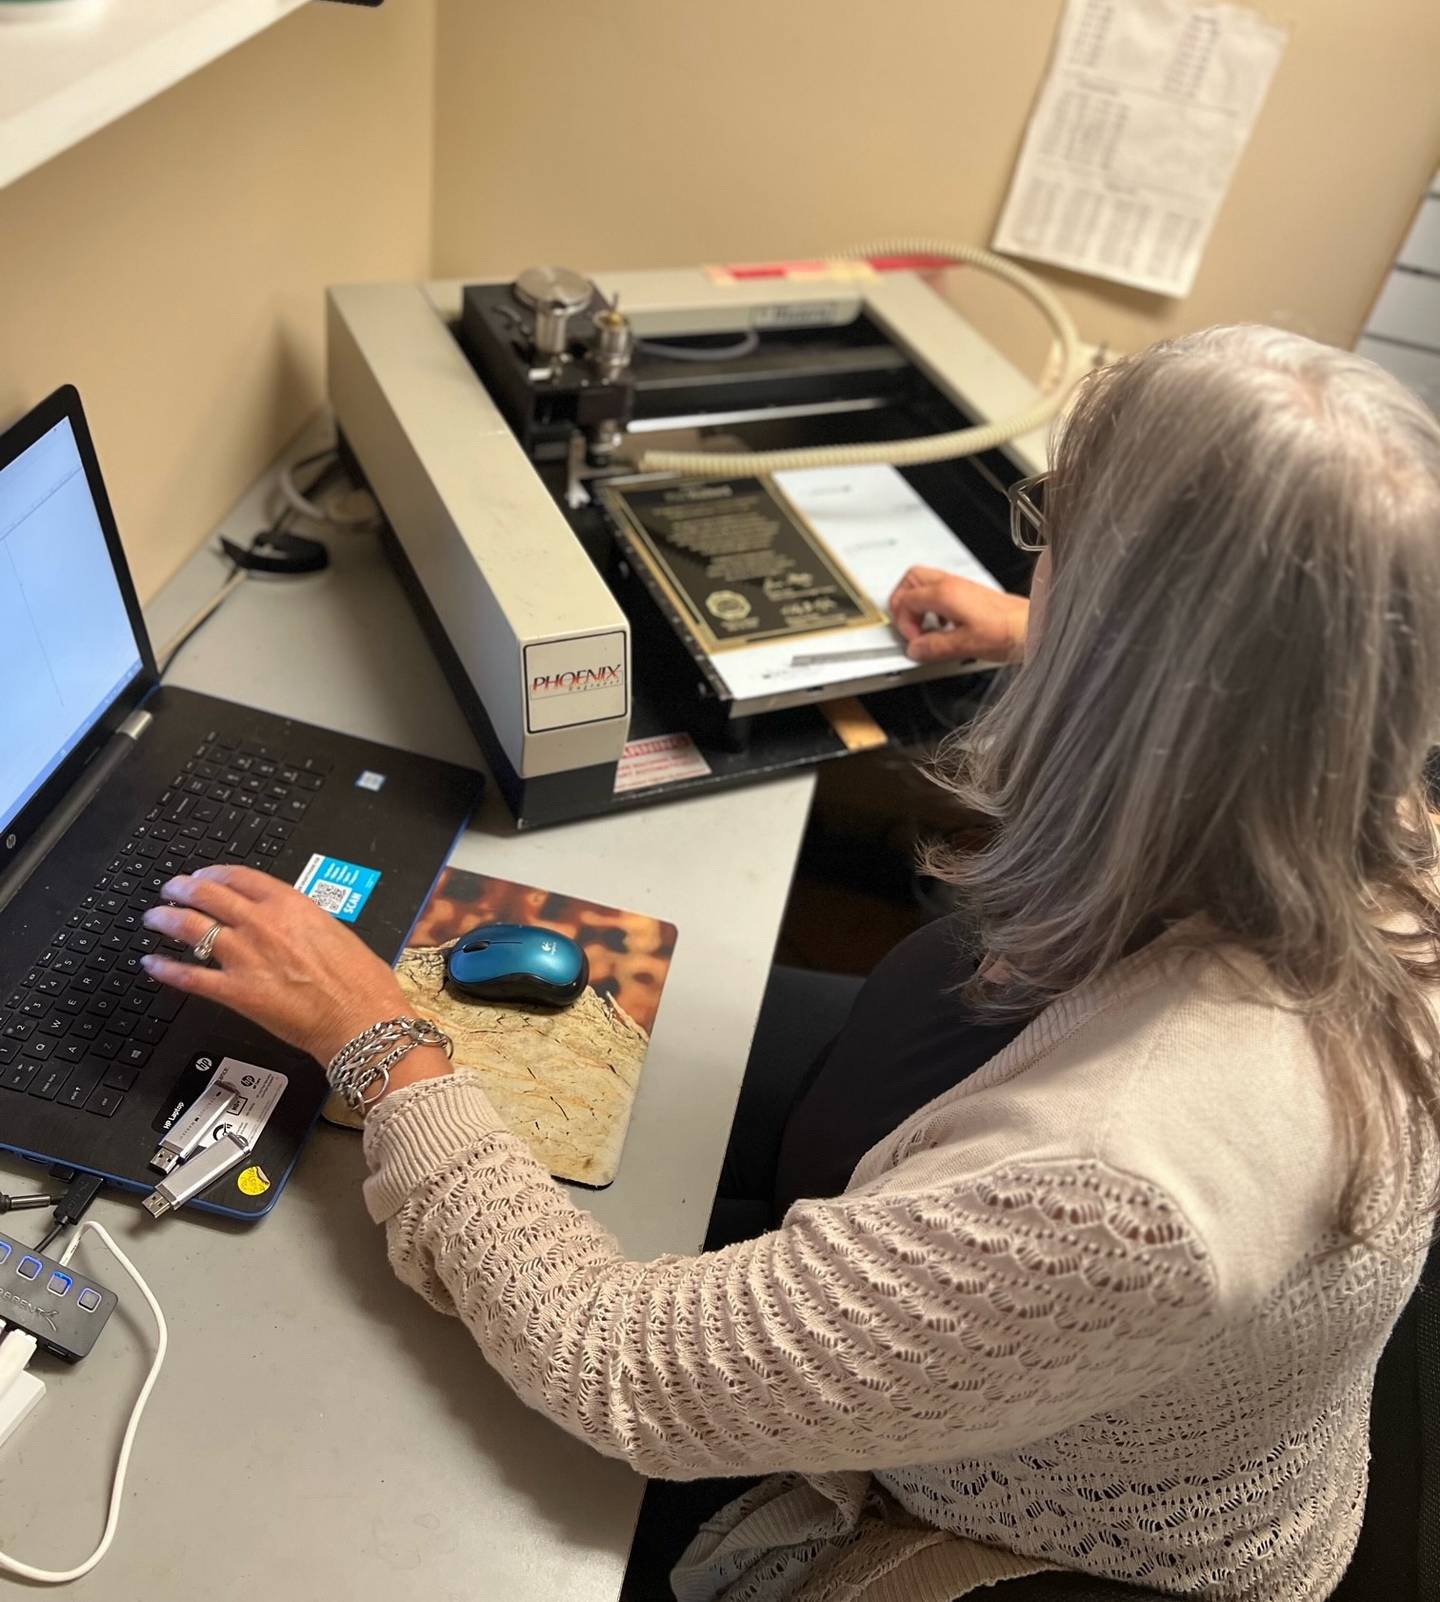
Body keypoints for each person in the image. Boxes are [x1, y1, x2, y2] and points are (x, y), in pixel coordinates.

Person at [137, 325, 1440, 1602]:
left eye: (1058, 551)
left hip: (1046, 1529)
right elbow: (1281, 693)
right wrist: (1033, 634)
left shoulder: (1119, 1187)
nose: (1038, 570)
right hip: (1083, 1292)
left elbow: (620, 1364)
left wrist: (376, 1036)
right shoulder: (1380, 823)